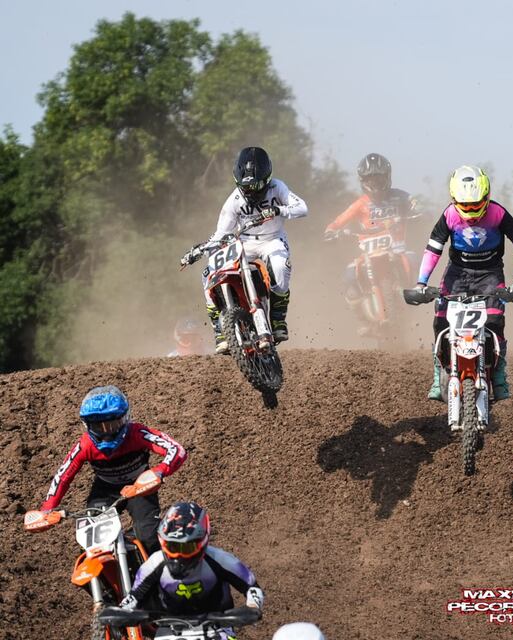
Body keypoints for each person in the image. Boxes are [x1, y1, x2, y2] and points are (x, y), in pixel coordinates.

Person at [414, 165, 513, 401]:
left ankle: (499, 376)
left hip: (490, 273)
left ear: (486, 196)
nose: (471, 211)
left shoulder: (497, 213)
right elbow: (433, 249)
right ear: (454, 200)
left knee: (495, 321)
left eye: (476, 204)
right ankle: (438, 376)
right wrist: (421, 283)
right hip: (457, 274)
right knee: (440, 320)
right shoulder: (449, 214)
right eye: (465, 206)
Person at [25, 386, 186, 554]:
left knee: (149, 536)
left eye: (112, 424)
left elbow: (177, 449)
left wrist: (159, 471)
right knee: (90, 546)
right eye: (99, 427)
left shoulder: (138, 433)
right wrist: (47, 509)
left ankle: (157, 576)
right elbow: (63, 475)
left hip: (140, 487)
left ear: (125, 419)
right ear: (87, 425)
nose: (106, 433)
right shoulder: (85, 445)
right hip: (105, 491)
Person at [188, 146, 308, 353]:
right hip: (243, 241)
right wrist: (201, 250)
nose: (251, 192)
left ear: (267, 178)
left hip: (272, 239)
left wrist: (279, 209)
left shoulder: (278, 187)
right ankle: (220, 330)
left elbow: (303, 208)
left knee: (280, 268)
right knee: (208, 274)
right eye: (246, 188)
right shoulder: (234, 200)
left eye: (256, 186)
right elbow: (220, 234)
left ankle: (278, 320)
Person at [119, 501, 264, 635]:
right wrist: (122, 611)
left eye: (187, 547)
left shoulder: (220, 559)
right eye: (173, 546)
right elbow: (133, 597)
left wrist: (252, 607)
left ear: (203, 541)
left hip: (218, 628)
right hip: (170, 629)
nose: (179, 555)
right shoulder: (155, 563)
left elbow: (251, 587)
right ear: (163, 542)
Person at [323, 153, 420, 334]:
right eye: (371, 180)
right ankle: (364, 320)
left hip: (397, 248)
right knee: (349, 276)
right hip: (368, 252)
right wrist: (331, 231)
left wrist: (418, 211)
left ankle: (414, 310)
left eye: (379, 179)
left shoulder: (399, 196)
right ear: (363, 181)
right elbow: (337, 222)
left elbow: (415, 202)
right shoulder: (360, 204)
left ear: (387, 177)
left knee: (414, 261)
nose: (375, 184)